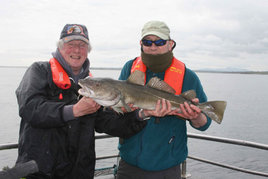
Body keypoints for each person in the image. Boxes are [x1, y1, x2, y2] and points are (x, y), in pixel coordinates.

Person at [15, 24, 151, 179]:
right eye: (70, 44)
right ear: (60, 48)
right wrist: (73, 111)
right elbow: (29, 108)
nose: (77, 50)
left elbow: (109, 123)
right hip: (40, 172)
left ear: (88, 51)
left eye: (82, 45)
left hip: (79, 173)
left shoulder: (95, 87)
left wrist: (141, 114)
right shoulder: (39, 70)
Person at [116, 20, 212, 179]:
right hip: (130, 163)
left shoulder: (188, 76)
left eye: (159, 42)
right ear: (141, 44)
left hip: (167, 166)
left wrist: (196, 117)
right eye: (148, 42)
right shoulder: (129, 68)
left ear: (170, 44)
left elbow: (204, 124)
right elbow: (119, 111)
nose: (153, 47)